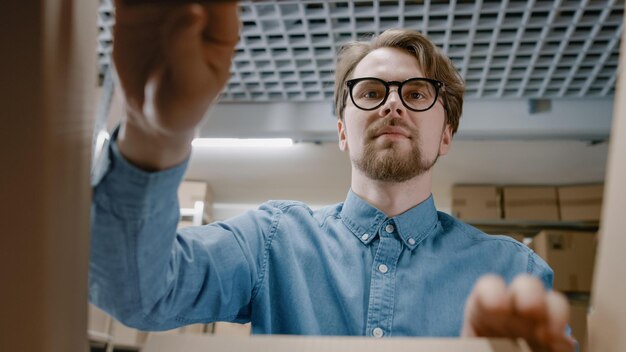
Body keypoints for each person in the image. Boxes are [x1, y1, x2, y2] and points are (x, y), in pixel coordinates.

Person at [90, 2, 575, 351]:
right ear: (343, 131)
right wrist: (154, 133)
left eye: (417, 93)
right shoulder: (271, 241)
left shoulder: (514, 273)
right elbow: (137, 295)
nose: (391, 102)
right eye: (369, 92)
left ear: (446, 134)